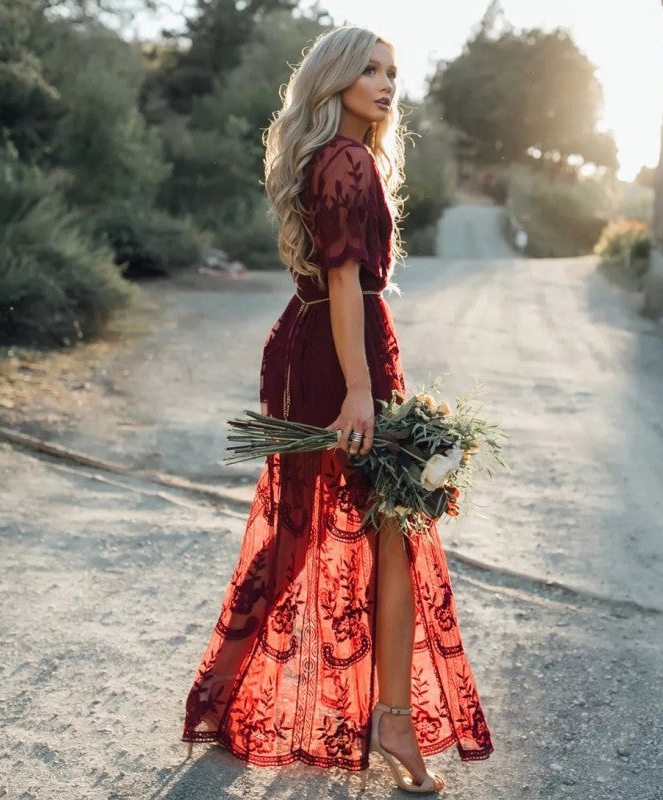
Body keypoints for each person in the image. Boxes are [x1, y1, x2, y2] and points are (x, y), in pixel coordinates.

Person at [181, 25, 493, 793]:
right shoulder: (345, 160)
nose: (387, 83)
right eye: (370, 70)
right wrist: (360, 388)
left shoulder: (337, 157)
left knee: (346, 525)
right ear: (334, 79)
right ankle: (383, 716)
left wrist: (367, 377)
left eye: (393, 71)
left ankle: (362, 710)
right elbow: (347, 279)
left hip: (330, 345)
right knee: (371, 524)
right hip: (336, 356)